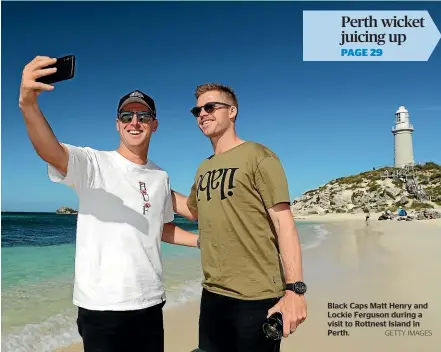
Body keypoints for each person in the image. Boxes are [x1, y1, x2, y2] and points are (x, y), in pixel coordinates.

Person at [18, 56, 198, 352]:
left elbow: (162, 229)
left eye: (143, 115)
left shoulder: (160, 177)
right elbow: (50, 150)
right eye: (127, 116)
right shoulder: (93, 163)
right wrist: (28, 105)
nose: (135, 122)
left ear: (155, 124)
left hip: (151, 301)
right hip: (101, 308)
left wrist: (203, 242)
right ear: (117, 125)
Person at [172, 83, 307, 352]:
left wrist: (295, 290)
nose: (202, 113)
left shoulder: (259, 156)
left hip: (257, 297)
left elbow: (284, 223)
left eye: (210, 107)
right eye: (196, 109)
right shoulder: (204, 167)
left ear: (232, 111)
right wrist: (150, 183)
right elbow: (193, 210)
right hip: (212, 294)